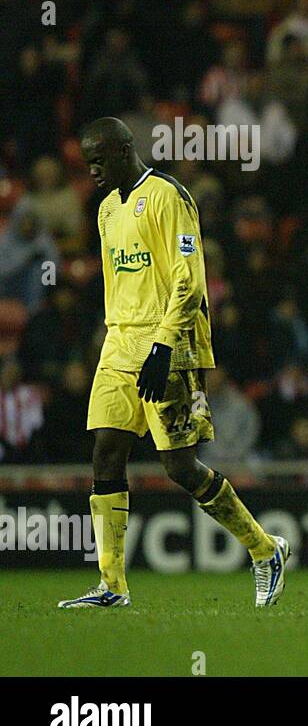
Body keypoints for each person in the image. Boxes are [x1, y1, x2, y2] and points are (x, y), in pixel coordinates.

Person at [59, 117, 289, 609]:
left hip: (170, 341)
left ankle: (264, 549)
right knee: (105, 452)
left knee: (179, 467)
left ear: (125, 150)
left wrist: (164, 346)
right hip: (119, 343)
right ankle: (112, 584)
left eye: (100, 159)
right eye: (87, 162)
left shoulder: (167, 195)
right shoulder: (104, 211)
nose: (93, 170)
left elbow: (189, 279)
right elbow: (117, 284)